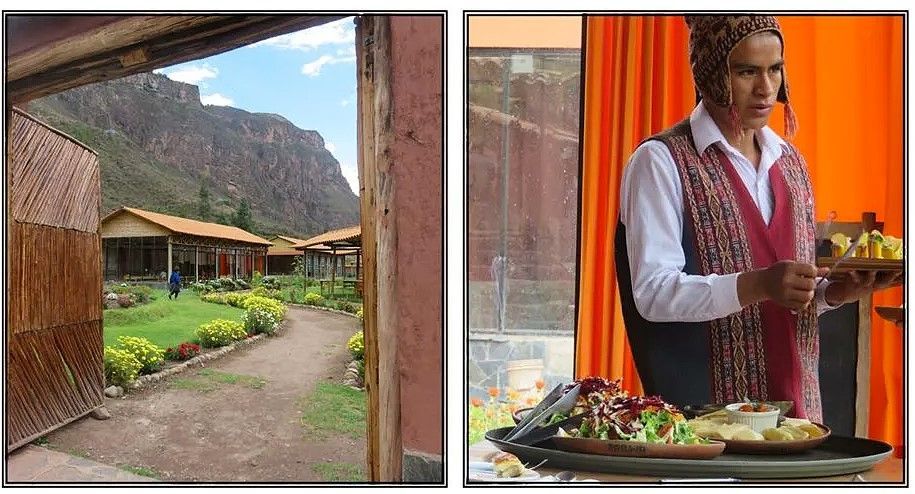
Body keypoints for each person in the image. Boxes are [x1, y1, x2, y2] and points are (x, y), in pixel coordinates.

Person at [615, 15, 901, 421]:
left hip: (797, 422)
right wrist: (760, 283)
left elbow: (789, 297)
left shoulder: (792, 163)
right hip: (703, 427)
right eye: (747, 71)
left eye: (775, 69)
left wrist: (831, 294)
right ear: (711, 73)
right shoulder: (660, 162)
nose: (767, 89)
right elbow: (653, 294)